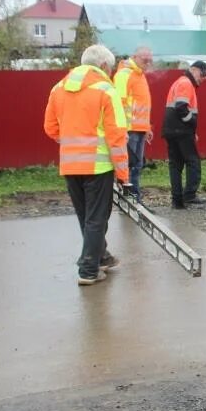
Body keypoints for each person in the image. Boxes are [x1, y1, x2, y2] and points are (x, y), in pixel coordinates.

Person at [43, 44, 129, 285]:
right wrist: (124, 174)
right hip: (98, 167)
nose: (111, 73)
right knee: (97, 218)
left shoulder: (58, 88)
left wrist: (71, 143)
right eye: (110, 68)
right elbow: (117, 137)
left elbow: (50, 128)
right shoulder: (106, 91)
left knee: (87, 217)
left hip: (70, 166)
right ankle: (88, 269)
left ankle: (101, 257)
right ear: (103, 66)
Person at [162, 60, 206, 209]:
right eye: (203, 75)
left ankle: (177, 200)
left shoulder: (179, 82)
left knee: (175, 165)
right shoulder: (186, 83)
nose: (203, 79)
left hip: (171, 130)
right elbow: (181, 107)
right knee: (193, 161)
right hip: (181, 130)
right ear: (195, 70)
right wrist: (191, 124)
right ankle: (190, 195)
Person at [114, 46, 153, 203]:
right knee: (129, 166)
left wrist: (147, 127)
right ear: (135, 57)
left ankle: (134, 198)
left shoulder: (139, 75)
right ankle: (129, 198)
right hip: (129, 130)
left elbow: (142, 105)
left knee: (136, 165)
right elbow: (119, 104)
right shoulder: (124, 75)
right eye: (145, 60)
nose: (148, 64)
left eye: (149, 61)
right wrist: (122, 129)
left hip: (139, 129)